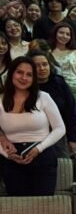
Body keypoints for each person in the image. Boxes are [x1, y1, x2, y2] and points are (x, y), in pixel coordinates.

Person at [0, 56, 66, 196]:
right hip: (12, 158)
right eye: (19, 72)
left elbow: (60, 128)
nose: (24, 77)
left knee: (42, 203)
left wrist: (39, 148)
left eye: (29, 74)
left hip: (42, 153)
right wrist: (5, 153)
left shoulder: (43, 97)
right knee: (17, 203)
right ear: (11, 73)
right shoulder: (0, 100)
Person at [32, 50, 76, 157]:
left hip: (58, 134)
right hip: (33, 135)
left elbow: (71, 111)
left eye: (45, 64)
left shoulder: (59, 83)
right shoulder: (27, 87)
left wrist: (72, 138)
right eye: (37, 66)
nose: (42, 68)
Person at [49, 22, 76, 115]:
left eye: (68, 34)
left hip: (74, 88)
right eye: (61, 32)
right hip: (54, 88)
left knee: (73, 118)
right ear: (55, 33)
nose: (64, 36)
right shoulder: (48, 52)